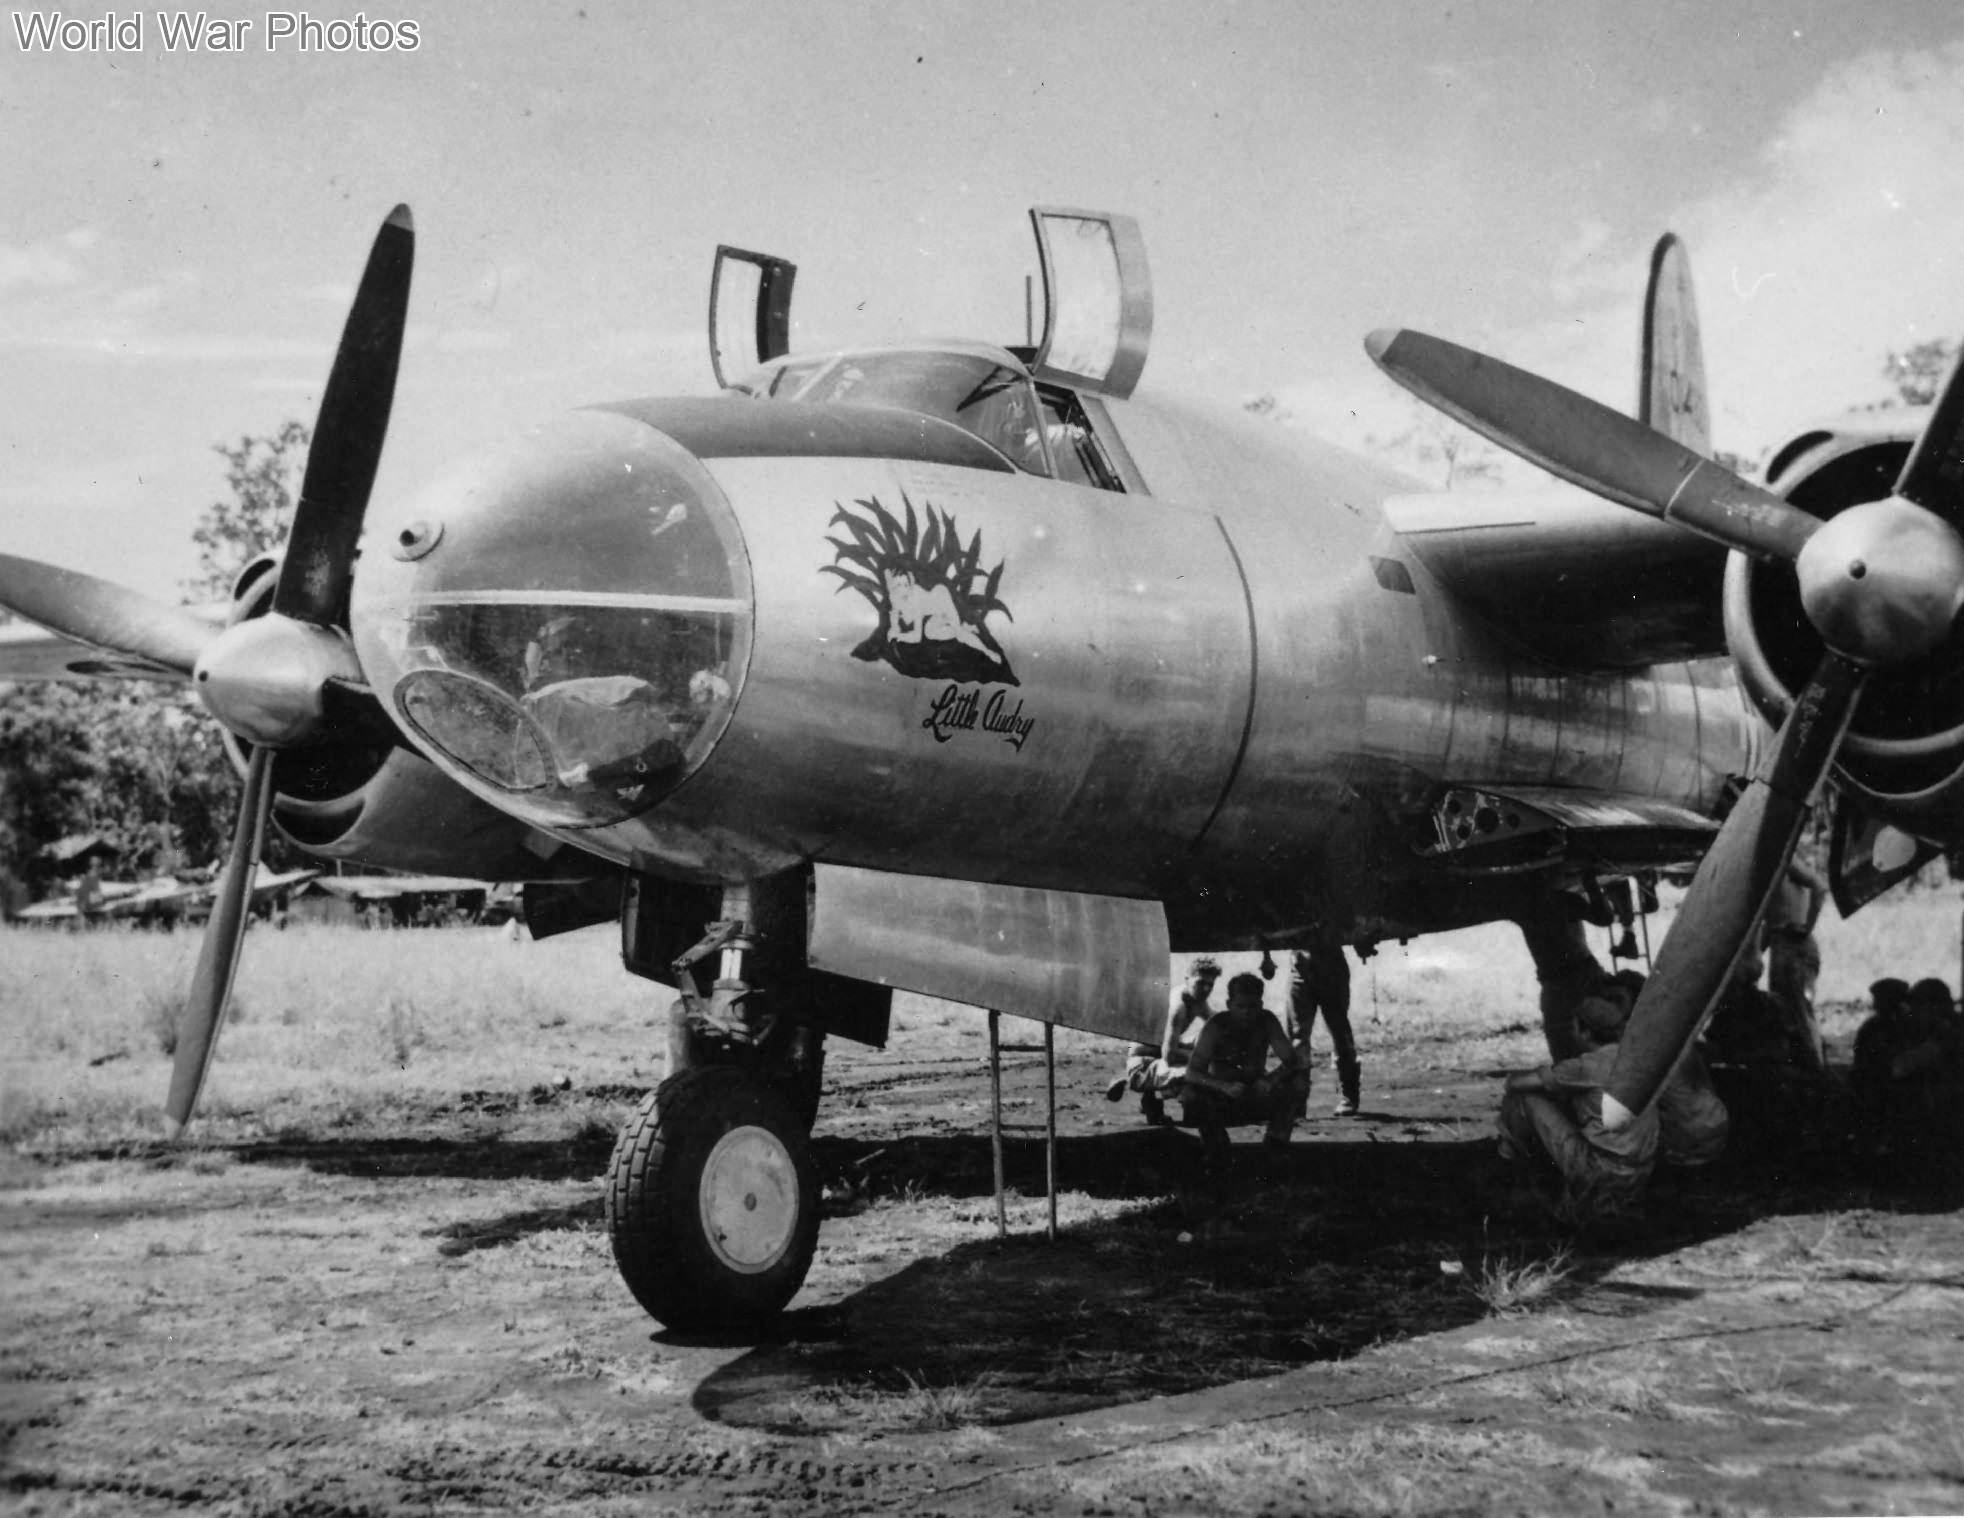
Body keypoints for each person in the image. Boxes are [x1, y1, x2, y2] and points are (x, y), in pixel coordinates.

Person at [1497, 992, 1659, 1227]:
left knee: (1524, 1100)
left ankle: (1509, 1170)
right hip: (1643, 1170)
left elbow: (1515, 1083)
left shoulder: (1586, 1067)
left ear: (1584, 1031)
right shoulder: (1638, 1060)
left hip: (1602, 1171)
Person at [1181, 971, 1307, 1163]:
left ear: (1261, 1005)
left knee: (1299, 1082)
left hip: (1256, 1092)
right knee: (1190, 1095)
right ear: (1229, 1005)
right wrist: (1223, 1087)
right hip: (1222, 1095)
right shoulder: (1215, 1026)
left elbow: (1294, 1061)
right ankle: (1217, 1151)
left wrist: (1270, 1080)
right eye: (1241, 1006)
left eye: (1252, 1006)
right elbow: (1192, 1073)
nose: (1247, 1012)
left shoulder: (1267, 1021)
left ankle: (1275, 1147)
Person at [1106, 956, 1220, 1126]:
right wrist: (1199, 1059)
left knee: (1202, 1043)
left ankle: (1150, 1099)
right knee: (1192, 1072)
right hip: (1143, 1058)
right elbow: (1169, 1055)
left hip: (1159, 1047)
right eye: (1200, 983)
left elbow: (1216, 1023)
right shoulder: (1178, 1007)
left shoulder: (1198, 1001)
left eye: (1210, 985)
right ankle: (1133, 1081)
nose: (1205, 989)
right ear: (1187, 979)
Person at [1288, 937, 1362, 1116]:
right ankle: (1297, 1101)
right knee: (1298, 1037)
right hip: (1300, 962)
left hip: (1331, 964)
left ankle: (1349, 1095)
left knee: (1339, 1031)